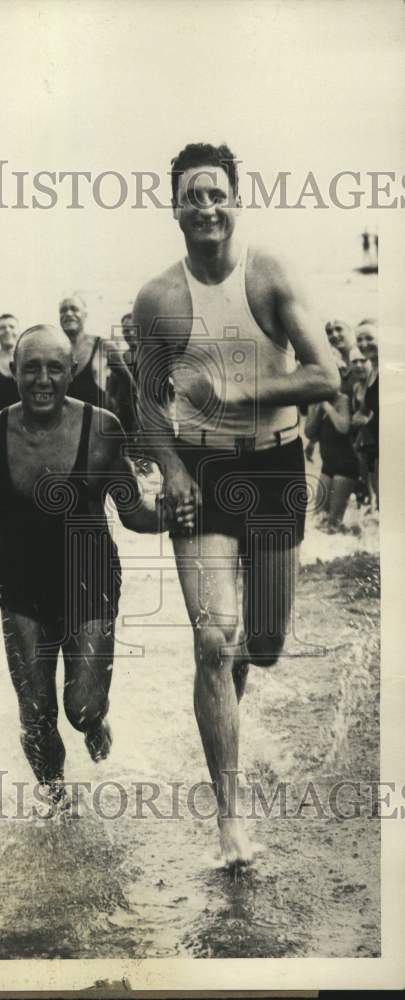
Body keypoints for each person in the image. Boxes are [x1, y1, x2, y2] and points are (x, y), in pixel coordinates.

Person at [134, 142, 339, 867]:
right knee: (212, 639)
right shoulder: (159, 298)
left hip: (276, 466)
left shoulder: (269, 275)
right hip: (203, 470)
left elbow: (324, 377)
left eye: (216, 192)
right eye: (192, 195)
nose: (206, 207)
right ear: (174, 208)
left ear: (234, 200)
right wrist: (171, 471)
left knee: (264, 644)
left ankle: (223, 703)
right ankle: (229, 818)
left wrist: (236, 392)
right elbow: (148, 402)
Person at [0, 324, 193, 808]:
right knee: (36, 712)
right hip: (21, 582)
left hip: (91, 577)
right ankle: (58, 801)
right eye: (30, 369)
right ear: (13, 371)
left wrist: (174, 514)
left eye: (54, 369)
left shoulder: (102, 429)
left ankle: (95, 719)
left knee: (81, 708)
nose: (42, 380)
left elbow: (134, 514)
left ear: (72, 371)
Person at [59, 295, 136, 432]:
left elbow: (130, 386)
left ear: (85, 314)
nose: (68, 313)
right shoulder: (54, 350)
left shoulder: (103, 346)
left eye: (74, 309)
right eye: (63, 310)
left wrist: (132, 425)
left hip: (96, 432)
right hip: (65, 430)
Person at [305, 350, 363, 531]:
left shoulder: (342, 399)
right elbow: (309, 433)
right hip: (327, 465)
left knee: (333, 523)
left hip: (346, 465)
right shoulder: (314, 401)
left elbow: (343, 427)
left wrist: (327, 406)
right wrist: (318, 408)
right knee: (318, 518)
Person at [352, 321, 379, 511]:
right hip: (377, 447)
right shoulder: (373, 371)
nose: (363, 344)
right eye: (359, 339)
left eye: (369, 338)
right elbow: (365, 411)